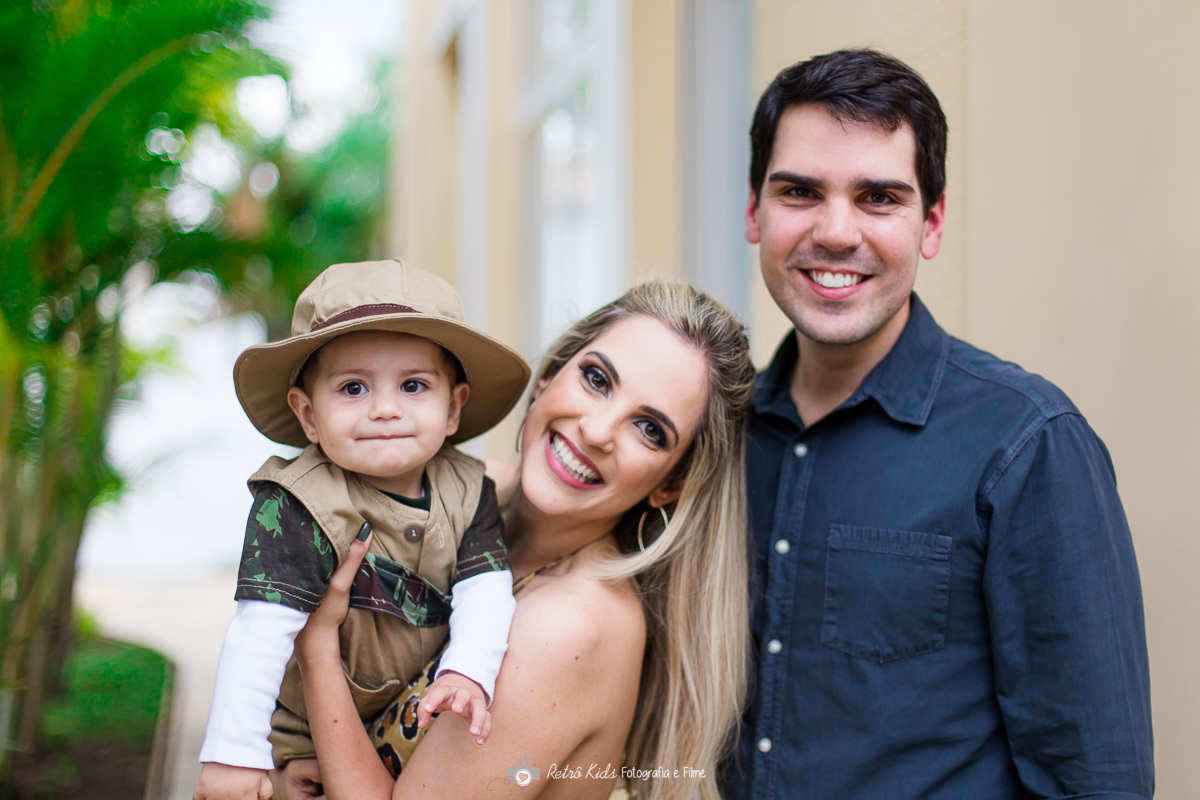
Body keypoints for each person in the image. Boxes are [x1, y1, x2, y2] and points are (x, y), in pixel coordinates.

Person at [724, 49, 1153, 799]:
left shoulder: (1028, 443)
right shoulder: (720, 440)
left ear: (933, 221)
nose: (834, 231)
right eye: (800, 191)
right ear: (755, 211)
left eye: (878, 197)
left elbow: (1098, 779)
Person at [274, 281, 756, 800]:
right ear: (547, 379)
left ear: (670, 484)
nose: (597, 431)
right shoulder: (468, 505)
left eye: (649, 429)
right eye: (596, 379)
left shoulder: (570, 624)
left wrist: (317, 647)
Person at [194, 259, 532, 800]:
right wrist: (235, 753)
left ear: (454, 408)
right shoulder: (297, 504)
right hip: (308, 734)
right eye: (353, 389)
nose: (385, 409)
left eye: (414, 385)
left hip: (408, 721)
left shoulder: (470, 490)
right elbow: (259, 632)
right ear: (308, 415)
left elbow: (485, 587)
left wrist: (467, 672)